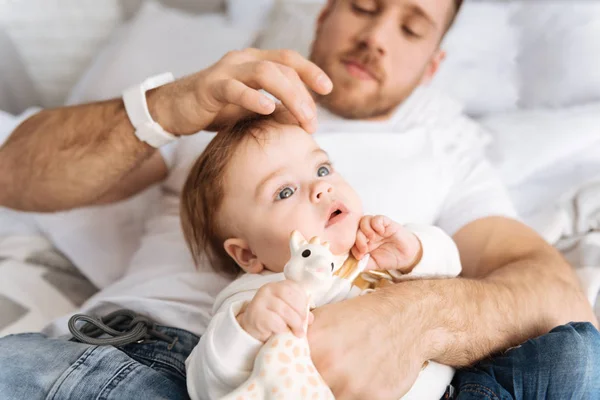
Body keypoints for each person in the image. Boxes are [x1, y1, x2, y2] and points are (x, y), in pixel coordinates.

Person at [0, 0, 598, 398]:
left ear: (434, 62)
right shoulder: (227, 100)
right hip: (130, 354)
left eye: (411, 27)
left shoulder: (447, 147)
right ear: (325, 12)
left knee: (579, 362)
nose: (375, 36)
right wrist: (167, 109)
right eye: (363, 5)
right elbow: (12, 174)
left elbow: (556, 298)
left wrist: (409, 317)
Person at [179, 113, 462, 399]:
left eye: (323, 169)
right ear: (248, 254)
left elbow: (453, 272)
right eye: (285, 191)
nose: (321, 187)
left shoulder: (384, 242)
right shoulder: (256, 299)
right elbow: (203, 385)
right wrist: (249, 330)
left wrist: (414, 253)